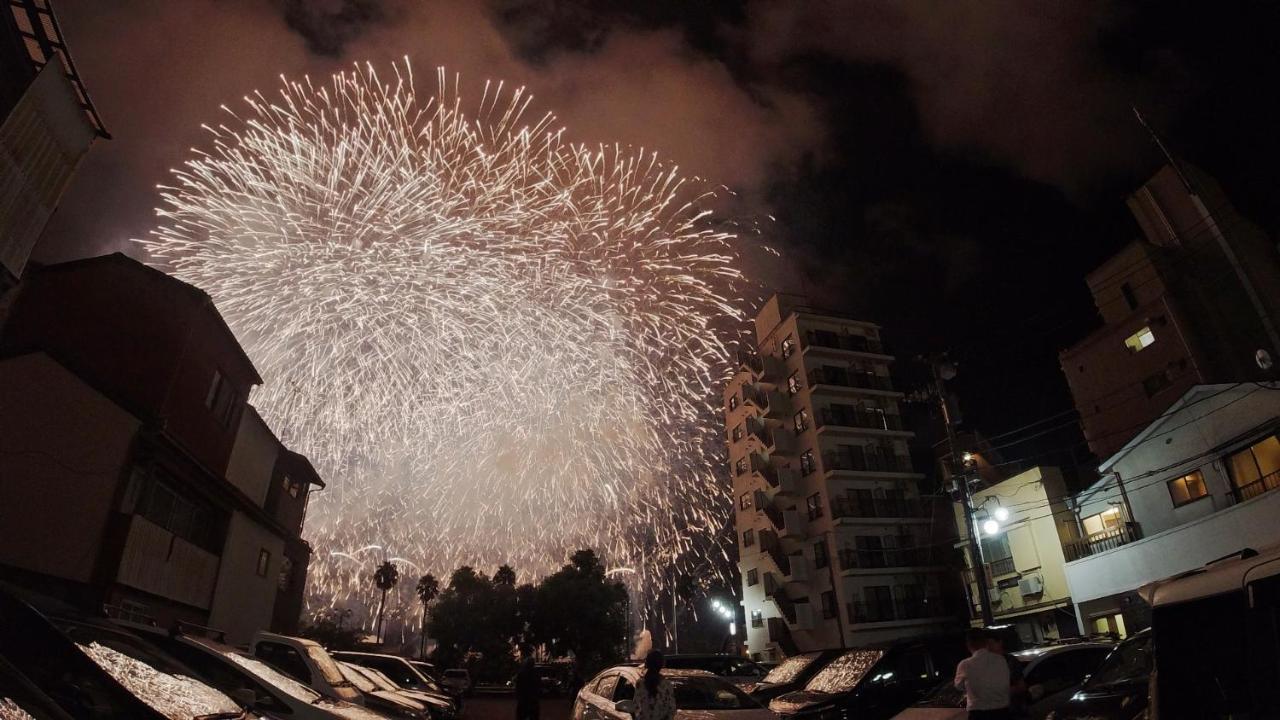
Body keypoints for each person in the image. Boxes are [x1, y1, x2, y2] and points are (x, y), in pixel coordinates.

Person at [954, 628, 1011, 719]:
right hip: (1002, 712)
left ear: (968, 645)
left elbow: (958, 686)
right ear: (986, 643)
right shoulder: (1001, 660)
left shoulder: (965, 664)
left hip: (979, 713)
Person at [987, 631, 1028, 718]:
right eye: (986, 645)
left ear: (999, 642)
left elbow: (1021, 686)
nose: (989, 648)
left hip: (1014, 711)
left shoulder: (1010, 661)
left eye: (991, 644)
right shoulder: (987, 664)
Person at [634, 651, 676, 720]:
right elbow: (671, 709)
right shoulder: (667, 685)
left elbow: (636, 706)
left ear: (647, 663)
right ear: (662, 664)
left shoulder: (640, 684)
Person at [515, 643, 540, 720]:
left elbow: (519, 685)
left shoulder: (523, 671)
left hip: (525, 699)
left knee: (522, 715)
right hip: (531, 699)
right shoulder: (534, 671)